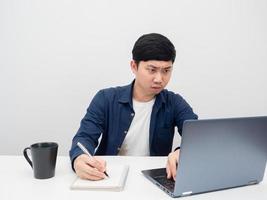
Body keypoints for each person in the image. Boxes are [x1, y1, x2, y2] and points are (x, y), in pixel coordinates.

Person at [69, 33, 198, 181]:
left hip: (153, 179)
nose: (159, 79)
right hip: (109, 176)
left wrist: (182, 152)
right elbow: (84, 137)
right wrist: (79, 158)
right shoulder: (105, 98)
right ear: (134, 66)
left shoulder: (174, 102)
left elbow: (198, 137)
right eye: (152, 70)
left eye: (166, 71)